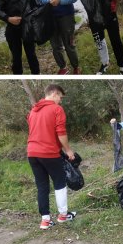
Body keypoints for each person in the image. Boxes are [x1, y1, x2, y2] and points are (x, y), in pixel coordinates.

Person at [27, 84, 76, 230]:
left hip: (32, 153)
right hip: (48, 153)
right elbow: (61, 132)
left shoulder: (33, 110)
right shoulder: (56, 109)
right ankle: (63, 215)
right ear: (54, 93)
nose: (60, 101)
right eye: (60, 97)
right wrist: (68, 150)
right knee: (60, 183)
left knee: (42, 186)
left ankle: (45, 220)